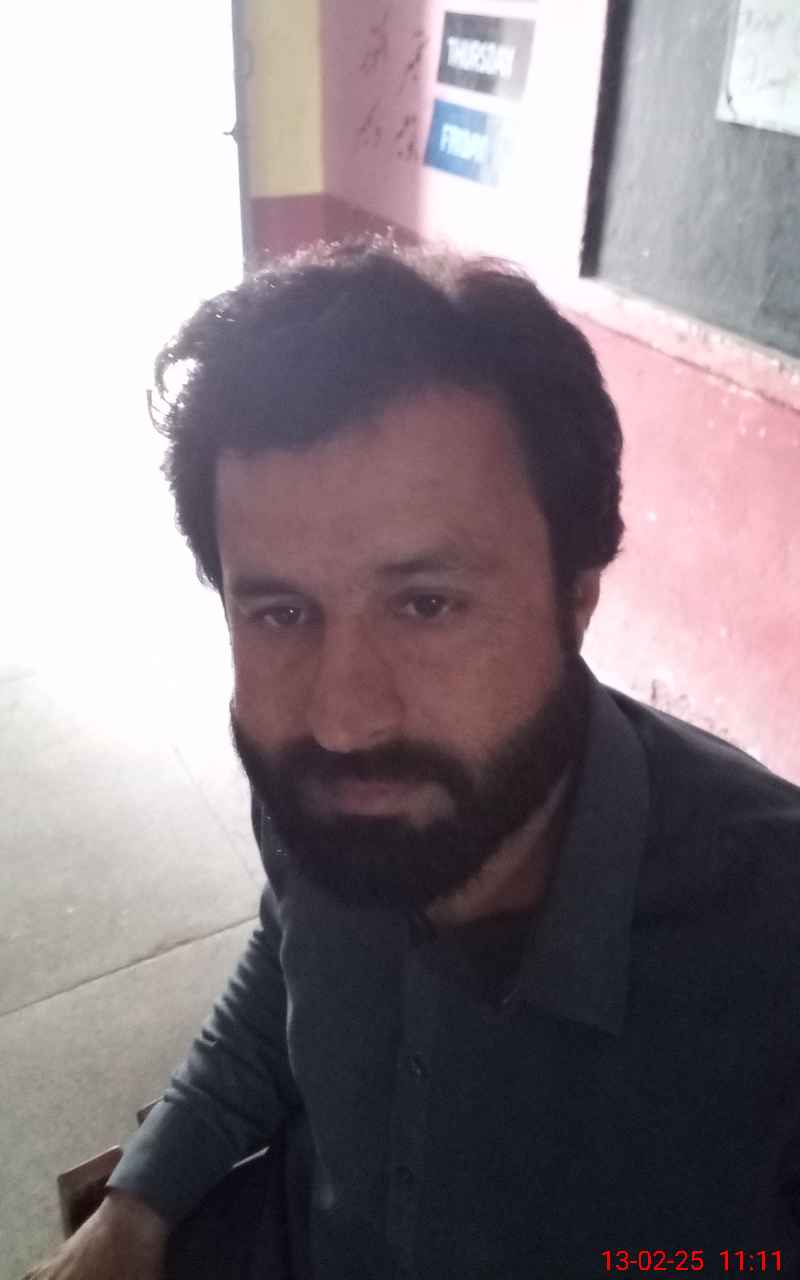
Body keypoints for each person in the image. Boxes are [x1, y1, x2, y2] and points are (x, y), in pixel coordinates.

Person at [26, 238, 800, 1280]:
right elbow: (289, 961)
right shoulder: (325, 798)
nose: (341, 721)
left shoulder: (772, 950)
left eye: (426, 604)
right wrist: (138, 1204)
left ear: (575, 597)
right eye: (280, 611)